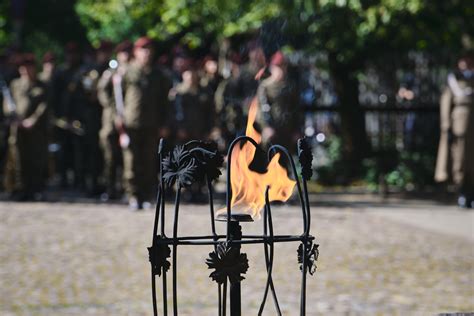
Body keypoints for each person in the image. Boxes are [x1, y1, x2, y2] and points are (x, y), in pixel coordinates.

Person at [122, 36, 171, 210]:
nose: (146, 54)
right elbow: (114, 96)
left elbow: (165, 101)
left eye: (149, 50)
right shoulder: (126, 72)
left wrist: (164, 123)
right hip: (131, 123)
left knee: (149, 162)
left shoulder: (158, 75)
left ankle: (147, 195)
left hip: (152, 124)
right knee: (131, 162)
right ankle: (133, 195)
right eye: (143, 50)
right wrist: (117, 117)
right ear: (136, 52)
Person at [2, 54, 48, 200]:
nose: (26, 71)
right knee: (17, 158)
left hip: (35, 129)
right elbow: (7, 104)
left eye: (29, 68)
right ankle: (19, 188)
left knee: (35, 158)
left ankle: (35, 189)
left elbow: (44, 106)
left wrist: (32, 120)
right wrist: (13, 117)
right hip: (17, 127)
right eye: (23, 68)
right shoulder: (15, 85)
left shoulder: (42, 85)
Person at [435, 52, 474, 208]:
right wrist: (446, 127)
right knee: (461, 160)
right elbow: (445, 105)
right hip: (461, 127)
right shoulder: (454, 81)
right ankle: (463, 192)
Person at [97, 40, 133, 200]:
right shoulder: (111, 73)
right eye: (122, 54)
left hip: (129, 121)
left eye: (127, 53)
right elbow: (102, 93)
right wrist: (113, 110)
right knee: (110, 158)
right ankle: (110, 188)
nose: (125, 56)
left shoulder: (133, 72)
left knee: (128, 159)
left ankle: (126, 189)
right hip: (111, 122)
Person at [256, 51, 301, 152]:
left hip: (287, 130)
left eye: (283, 66)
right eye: (278, 67)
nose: (281, 70)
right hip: (271, 129)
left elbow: (296, 108)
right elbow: (263, 108)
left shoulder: (290, 86)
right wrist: (266, 127)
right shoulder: (265, 86)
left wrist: (297, 130)